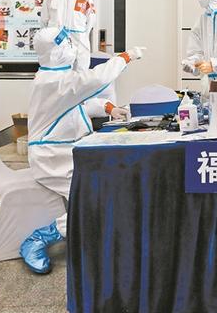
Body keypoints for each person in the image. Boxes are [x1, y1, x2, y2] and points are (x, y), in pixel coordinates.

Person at [19, 26, 145, 274]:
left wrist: (109, 108)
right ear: (54, 52)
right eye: (65, 45)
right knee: (93, 198)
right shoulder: (52, 81)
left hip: (66, 151)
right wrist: (125, 57)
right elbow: (94, 79)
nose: (71, 48)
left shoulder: (57, 78)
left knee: (108, 186)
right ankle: (40, 238)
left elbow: (78, 105)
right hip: (52, 158)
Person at [40, 0, 96, 70]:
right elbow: (43, 20)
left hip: (79, 39)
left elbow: (92, 18)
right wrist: (46, 38)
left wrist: (85, 35)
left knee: (81, 69)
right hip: (57, 38)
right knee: (58, 69)